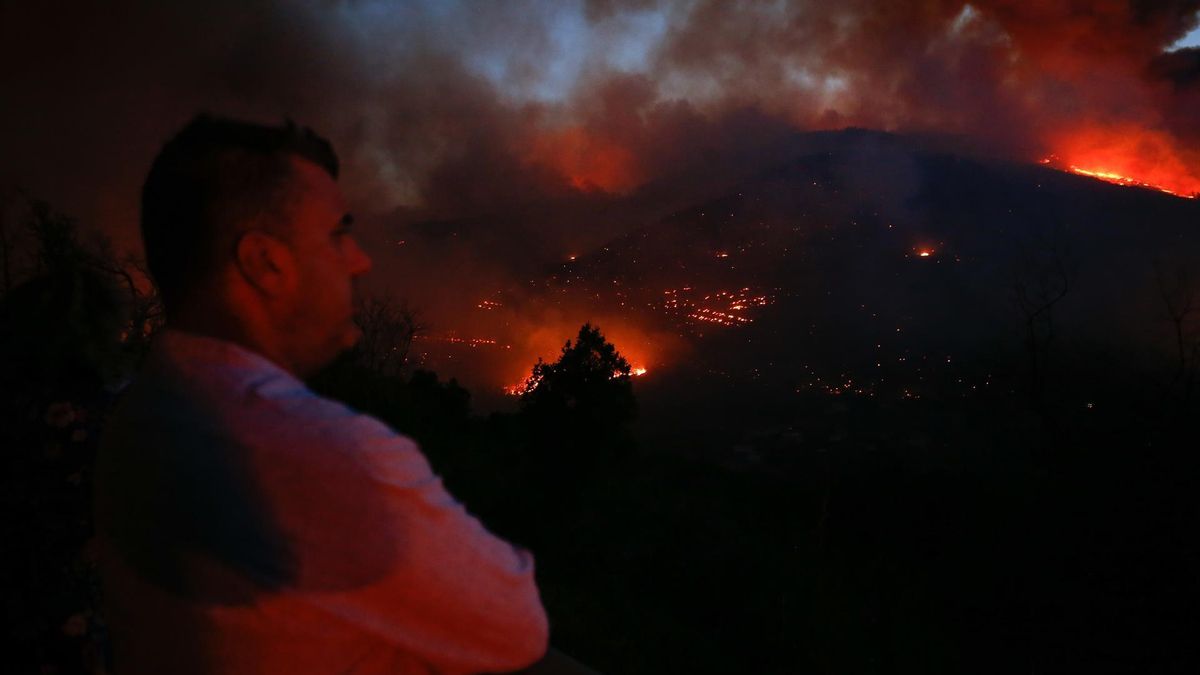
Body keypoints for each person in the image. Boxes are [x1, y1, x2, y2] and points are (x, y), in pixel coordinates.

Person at [94, 115, 555, 674]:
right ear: (266, 262)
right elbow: (517, 628)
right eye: (338, 233)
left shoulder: (139, 408)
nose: (361, 260)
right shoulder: (320, 455)